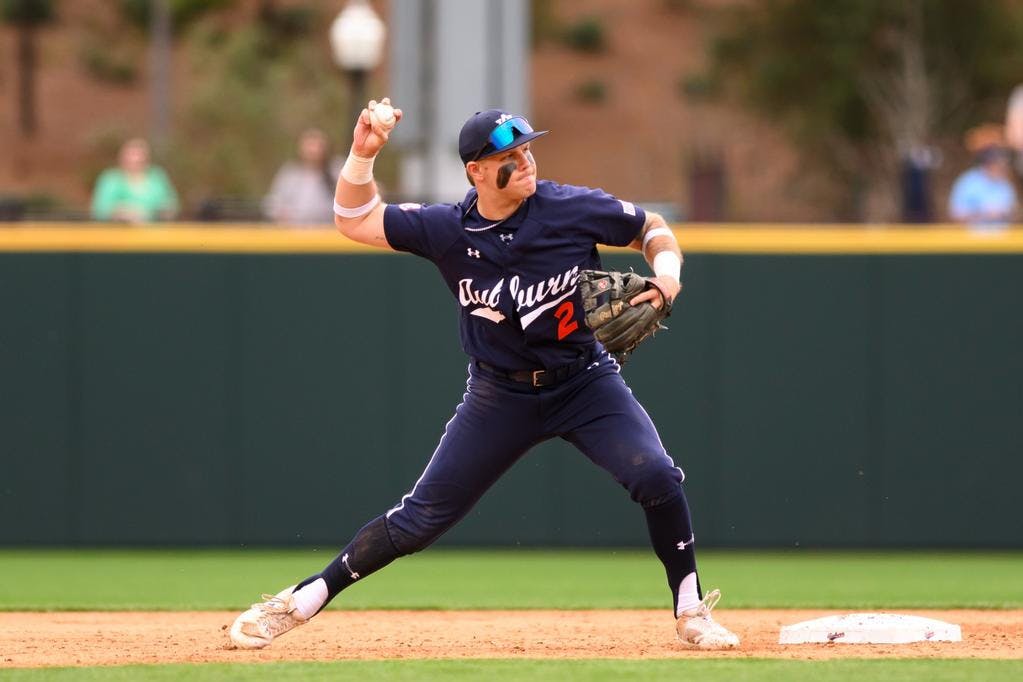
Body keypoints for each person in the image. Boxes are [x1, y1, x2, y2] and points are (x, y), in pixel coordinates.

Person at [229, 98, 740, 651]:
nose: (526, 161)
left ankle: (691, 611)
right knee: (417, 522)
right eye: (509, 155)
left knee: (656, 476)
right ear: (475, 171)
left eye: (527, 148)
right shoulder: (447, 228)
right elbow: (353, 219)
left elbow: (651, 226)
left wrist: (667, 275)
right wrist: (361, 153)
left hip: (584, 381)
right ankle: (297, 602)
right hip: (499, 395)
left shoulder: (570, 208)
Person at [263, 128, 342, 226]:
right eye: (309, 145)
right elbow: (272, 204)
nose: (313, 150)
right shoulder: (290, 174)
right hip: (295, 234)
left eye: (318, 145)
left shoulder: (337, 170)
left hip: (331, 233)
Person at [90, 138, 179, 223]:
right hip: (118, 234)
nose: (135, 161)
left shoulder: (157, 177)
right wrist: (122, 213)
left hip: (155, 233)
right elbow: (100, 209)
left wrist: (160, 212)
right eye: (131, 156)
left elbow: (171, 204)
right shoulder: (111, 179)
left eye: (139, 157)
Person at [948, 124, 1018, 231]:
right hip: (972, 241)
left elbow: (1014, 213)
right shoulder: (967, 182)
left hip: (1002, 241)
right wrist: (984, 214)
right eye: (997, 162)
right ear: (987, 163)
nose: (1002, 166)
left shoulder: (1005, 184)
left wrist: (1005, 214)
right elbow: (956, 215)